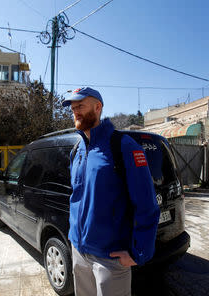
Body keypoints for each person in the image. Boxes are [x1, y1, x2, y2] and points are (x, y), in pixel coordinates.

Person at [62, 87, 160, 296]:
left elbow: (146, 204)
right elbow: (78, 197)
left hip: (110, 258)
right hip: (79, 251)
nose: (75, 112)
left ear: (98, 108)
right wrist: (73, 239)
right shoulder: (76, 150)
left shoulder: (124, 147)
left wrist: (138, 252)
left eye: (80, 106)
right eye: (72, 108)